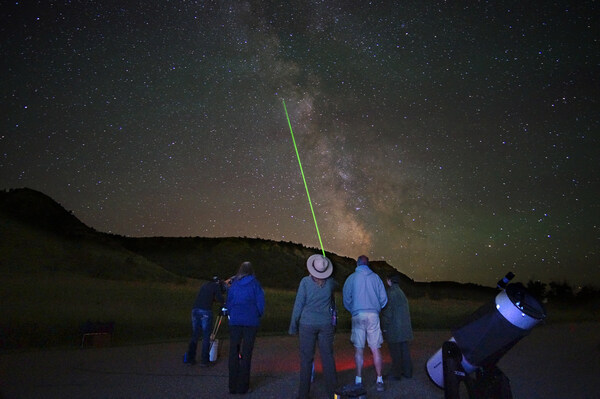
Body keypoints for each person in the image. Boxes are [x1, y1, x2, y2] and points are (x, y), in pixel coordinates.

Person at [289, 254, 338, 399]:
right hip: (325, 324)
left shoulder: (305, 282)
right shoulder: (330, 283)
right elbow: (334, 287)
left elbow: (299, 304)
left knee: (306, 359)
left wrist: (293, 325)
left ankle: (303, 395)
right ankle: (333, 394)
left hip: (307, 324)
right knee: (328, 357)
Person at [342, 255, 388, 392]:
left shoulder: (351, 278)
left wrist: (353, 310)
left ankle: (358, 379)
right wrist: (376, 309)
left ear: (357, 264)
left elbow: (346, 298)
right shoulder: (376, 278)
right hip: (373, 315)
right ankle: (379, 380)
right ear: (368, 264)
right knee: (375, 348)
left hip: (358, 315)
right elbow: (383, 299)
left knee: (359, 349)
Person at [225, 261, 265, 394]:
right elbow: (260, 303)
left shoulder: (234, 284)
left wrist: (232, 313)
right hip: (251, 322)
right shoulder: (255, 284)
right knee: (246, 354)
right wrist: (257, 314)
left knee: (233, 352)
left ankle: (232, 386)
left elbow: (229, 302)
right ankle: (243, 386)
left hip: (235, 321)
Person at [184, 276, 225, 366]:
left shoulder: (205, 285)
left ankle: (190, 359)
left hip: (195, 310)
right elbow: (219, 298)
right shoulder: (216, 286)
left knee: (195, 334)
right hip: (205, 311)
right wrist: (224, 301)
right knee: (206, 336)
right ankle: (204, 360)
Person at [381, 273, 414, 381]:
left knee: (395, 352)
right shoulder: (401, 292)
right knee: (404, 351)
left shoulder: (390, 293)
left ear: (389, 280)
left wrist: (384, 327)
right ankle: (407, 372)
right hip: (404, 328)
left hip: (395, 328)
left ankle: (396, 374)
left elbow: (388, 313)